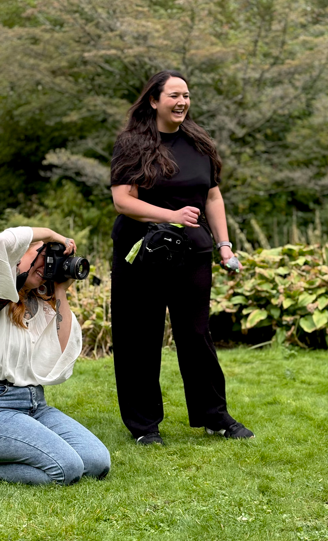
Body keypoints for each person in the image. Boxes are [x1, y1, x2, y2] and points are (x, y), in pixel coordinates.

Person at [110, 70, 254, 445]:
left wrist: (224, 245)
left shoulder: (199, 143)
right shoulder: (133, 144)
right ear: (155, 101)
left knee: (196, 334)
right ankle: (144, 426)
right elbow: (122, 200)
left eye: (186, 95)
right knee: (139, 337)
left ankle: (214, 416)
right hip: (141, 255)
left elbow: (212, 197)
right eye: (174, 95)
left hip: (192, 253)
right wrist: (170, 215)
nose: (182, 102)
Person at [0, 226, 110, 484]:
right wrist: (50, 235)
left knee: (97, 461)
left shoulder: (36, 306)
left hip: (35, 406)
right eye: (41, 254)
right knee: (67, 468)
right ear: (17, 257)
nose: (46, 263)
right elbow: (2, 240)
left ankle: (22, 452)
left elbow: (62, 349)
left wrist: (60, 291)